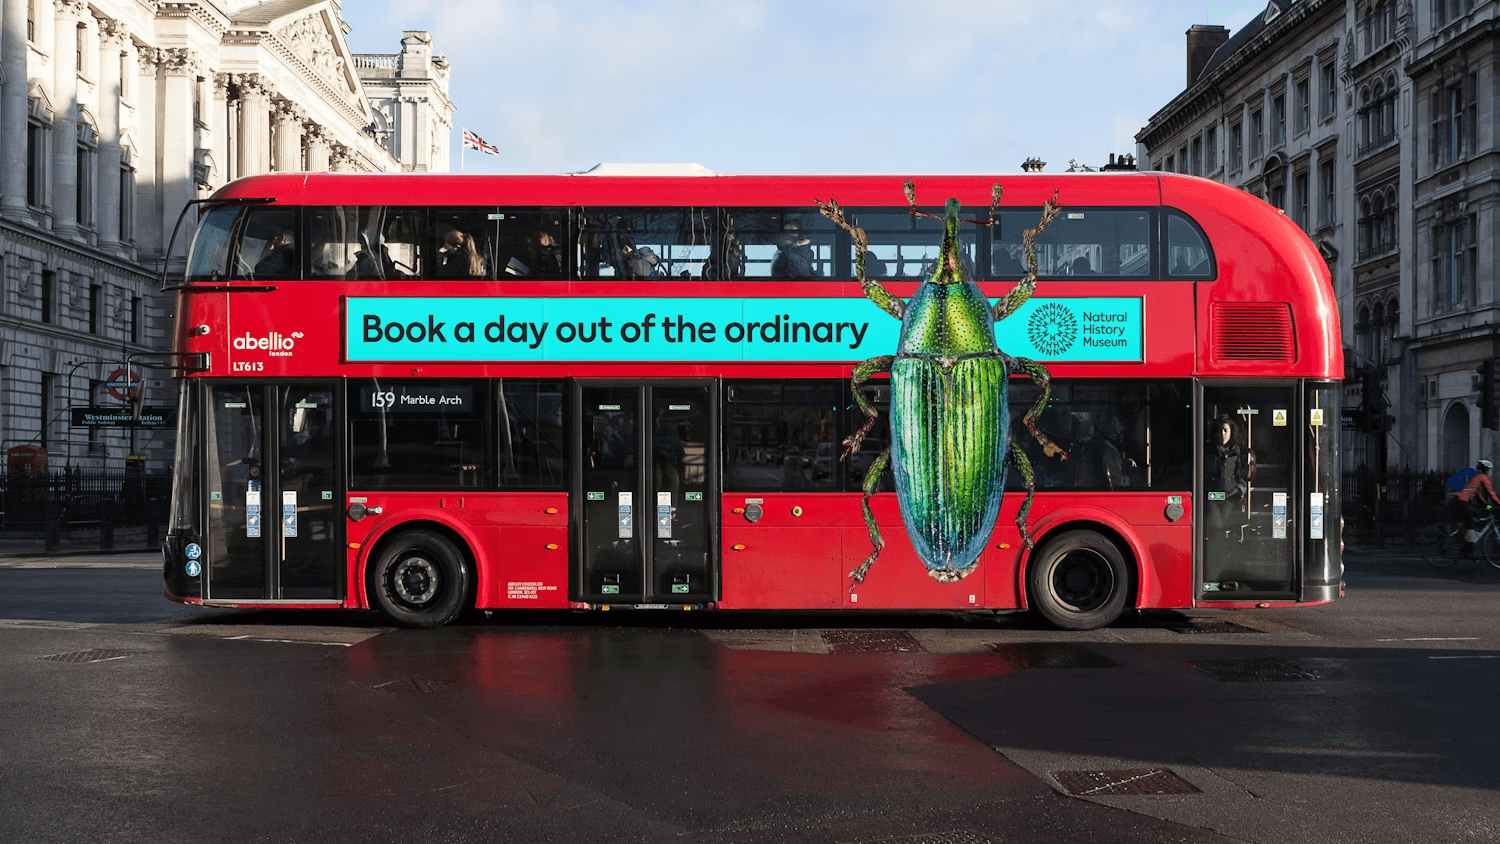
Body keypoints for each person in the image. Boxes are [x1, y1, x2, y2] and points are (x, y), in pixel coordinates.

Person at [1204, 415, 1253, 538]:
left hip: (1229, 496)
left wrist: (1239, 489)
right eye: (1220, 430)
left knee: (1225, 526)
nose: (1223, 434)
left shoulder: (1236, 453)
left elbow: (1240, 475)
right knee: (1217, 525)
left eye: (1225, 430)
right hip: (1212, 497)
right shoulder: (1208, 452)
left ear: (1231, 432)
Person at [1449, 459, 1498, 555]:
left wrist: (1489, 508)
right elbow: (1491, 494)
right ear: (1487, 470)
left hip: (1458, 501)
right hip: (1461, 501)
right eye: (1490, 470)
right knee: (1470, 523)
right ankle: (1470, 549)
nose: (1491, 472)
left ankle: (1466, 540)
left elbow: (1480, 500)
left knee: (1474, 514)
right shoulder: (1482, 478)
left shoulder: (1476, 479)